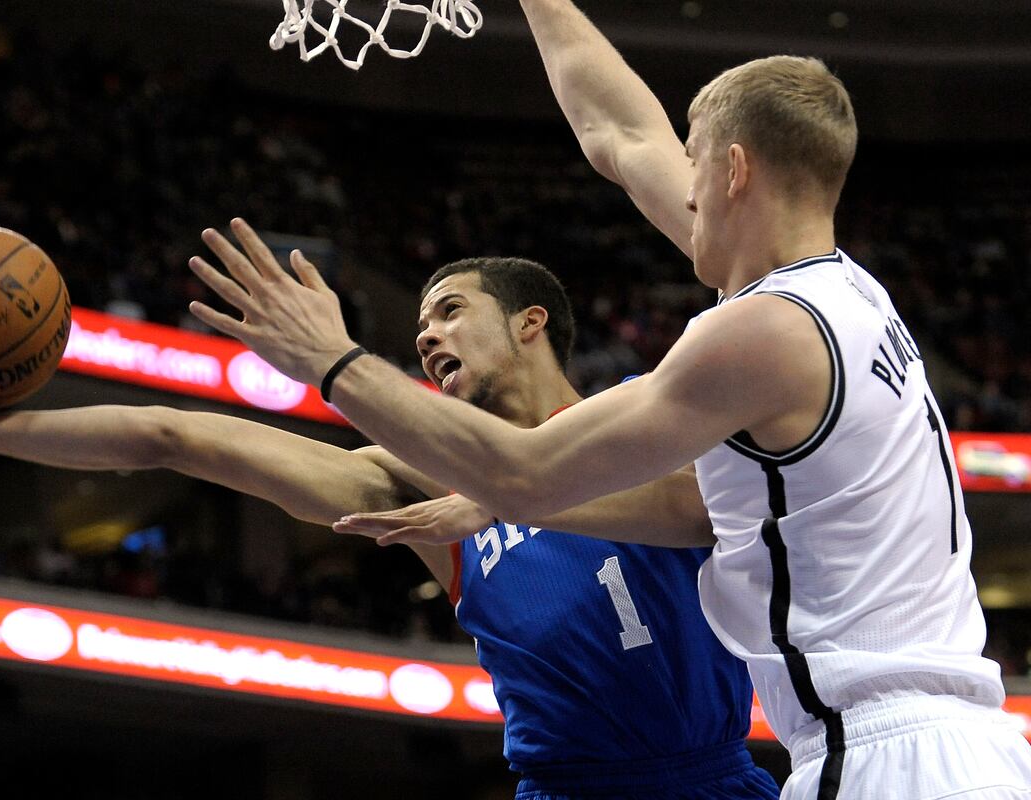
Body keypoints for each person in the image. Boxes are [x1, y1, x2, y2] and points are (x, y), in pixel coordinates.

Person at [182, 34, 1031, 800]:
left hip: (883, 759)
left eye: (694, 164)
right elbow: (620, 139)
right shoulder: (852, 295)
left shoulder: (760, 333)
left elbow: (517, 468)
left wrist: (330, 360)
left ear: (734, 172)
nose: (682, 188)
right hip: (965, 745)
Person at [0, 257, 779, 799]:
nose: (425, 336)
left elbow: (716, 505)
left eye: (449, 310)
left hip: (712, 775)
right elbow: (173, 437)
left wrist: (509, 492)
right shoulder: (419, 490)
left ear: (532, 322)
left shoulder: (639, 416)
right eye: (418, 325)